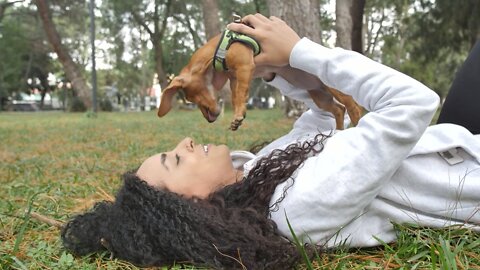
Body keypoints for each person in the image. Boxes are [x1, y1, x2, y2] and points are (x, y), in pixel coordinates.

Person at [61, 14, 480, 269]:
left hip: (453, 141)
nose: (186, 140)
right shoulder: (297, 204)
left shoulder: (260, 183)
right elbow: (413, 102)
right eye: (175, 160)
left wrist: (274, 70)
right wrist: (302, 51)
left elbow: (320, 121)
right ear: (195, 204)